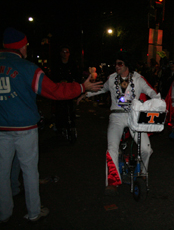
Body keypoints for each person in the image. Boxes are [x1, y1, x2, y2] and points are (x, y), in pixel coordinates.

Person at [0, 28, 103, 223]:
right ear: (21, 46)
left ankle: (3, 212)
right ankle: (33, 212)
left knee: (1, 172)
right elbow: (55, 91)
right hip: (24, 129)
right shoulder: (27, 68)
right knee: (29, 170)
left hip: (2, 129)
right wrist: (82, 87)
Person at [77, 52, 160, 196]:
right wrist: (85, 94)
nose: (117, 66)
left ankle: (142, 173)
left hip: (134, 116)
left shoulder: (138, 79)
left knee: (146, 148)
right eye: (115, 64)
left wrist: (159, 103)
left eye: (120, 63)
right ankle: (112, 182)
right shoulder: (111, 79)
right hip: (116, 116)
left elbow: (151, 92)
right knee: (112, 148)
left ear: (126, 64)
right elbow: (100, 89)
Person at [51, 45, 82, 134]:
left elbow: (77, 76)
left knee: (70, 107)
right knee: (59, 107)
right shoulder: (57, 64)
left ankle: (71, 124)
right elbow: (53, 76)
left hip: (69, 89)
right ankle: (59, 125)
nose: (65, 54)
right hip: (59, 89)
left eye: (67, 52)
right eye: (63, 52)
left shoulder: (72, 64)